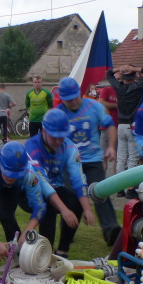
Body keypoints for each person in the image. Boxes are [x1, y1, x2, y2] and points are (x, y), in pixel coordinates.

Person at [55, 76, 122, 246]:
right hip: (69, 163)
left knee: (101, 193)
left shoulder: (94, 106)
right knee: (71, 198)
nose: (73, 102)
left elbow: (110, 125)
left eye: (75, 98)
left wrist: (111, 147)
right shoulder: (58, 113)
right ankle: (67, 232)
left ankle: (111, 231)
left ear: (79, 93)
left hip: (93, 160)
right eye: (68, 100)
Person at [23, 108, 95, 257]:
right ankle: (46, 254)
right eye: (54, 137)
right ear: (44, 131)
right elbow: (42, 183)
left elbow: (78, 178)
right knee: (48, 206)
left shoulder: (69, 147)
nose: (58, 142)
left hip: (55, 187)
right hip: (30, 190)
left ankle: (62, 251)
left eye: (61, 137)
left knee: (76, 202)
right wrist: (63, 209)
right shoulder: (32, 147)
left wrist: (87, 208)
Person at [105, 64, 143, 197]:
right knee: (133, 158)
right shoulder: (137, 86)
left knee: (121, 157)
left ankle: (119, 188)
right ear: (133, 76)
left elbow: (108, 74)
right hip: (132, 124)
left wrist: (119, 69)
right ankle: (131, 188)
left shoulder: (118, 86)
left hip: (120, 124)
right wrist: (136, 69)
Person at [97, 73, 118, 176]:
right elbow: (101, 102)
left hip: (119, 127)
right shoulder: (107, 90)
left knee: (118, 158)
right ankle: (101, 179)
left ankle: (116, 182)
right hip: (106, 127)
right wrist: (117, 105)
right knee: (103, 156)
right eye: (116, 79)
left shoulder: (124, 90)